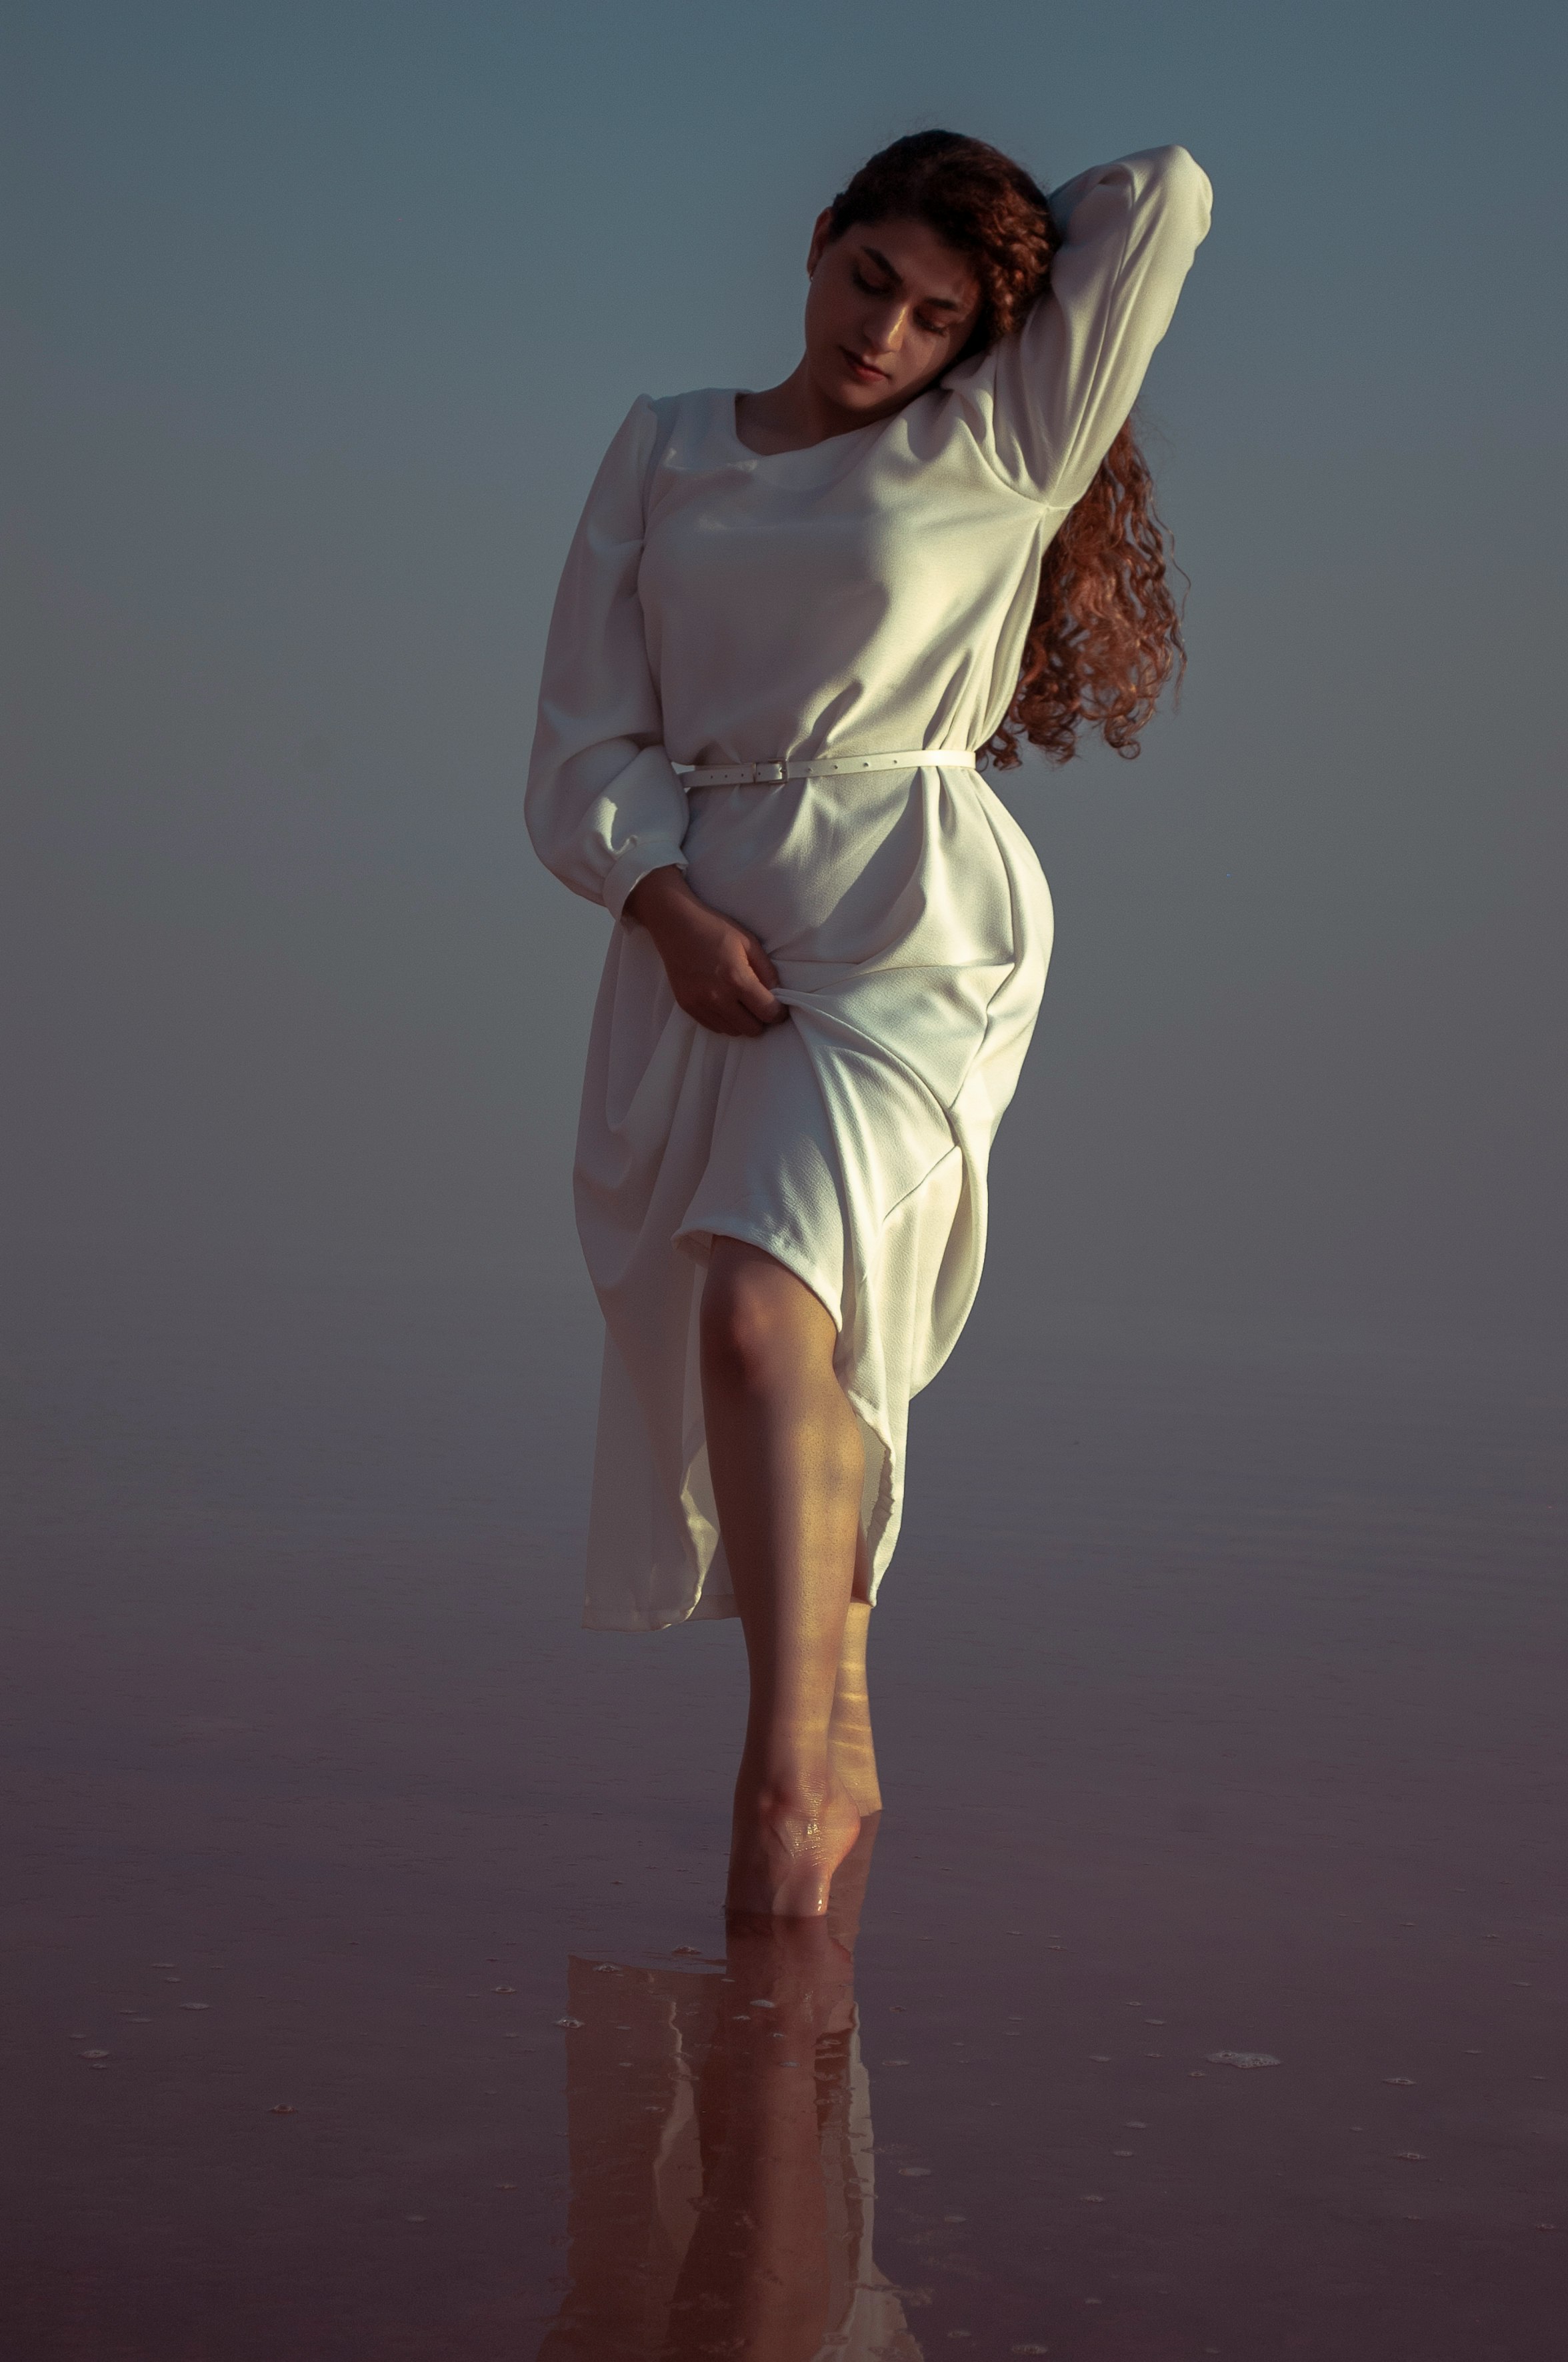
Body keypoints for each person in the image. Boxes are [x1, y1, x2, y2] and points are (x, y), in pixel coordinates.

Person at [527, 130, 1211, 1917]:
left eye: (934, 314)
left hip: (914, 915)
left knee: (764, 1312)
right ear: (814, 240)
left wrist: (1008, 250)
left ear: (981, 337)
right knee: (770, 1334)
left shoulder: (994, 441)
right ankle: (837, 1739)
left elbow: (1171, 198)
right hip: (710, 908)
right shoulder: (665, 445)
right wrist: (663, 907)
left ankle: (781, 1780)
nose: (884, 334)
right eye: (866, 280)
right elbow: (583, 740)